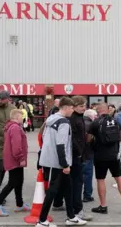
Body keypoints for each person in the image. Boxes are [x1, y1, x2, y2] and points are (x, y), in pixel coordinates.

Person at [36, 97, 86, 227]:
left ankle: (71, 217)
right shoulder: (63, 122)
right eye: (71, 108)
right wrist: (65, 164)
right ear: (66, 107)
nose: (72, 110)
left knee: (67, 187)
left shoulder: (51, 119)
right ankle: (42, 220)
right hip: (56, 162)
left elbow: (44, 137)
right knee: (52, 190)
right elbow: (61, 144)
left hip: (51, 159)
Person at [52, 96, 93, 221]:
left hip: (74, 155)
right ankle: (77, 210)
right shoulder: (72, 119)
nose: (84, 108)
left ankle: (58, 203)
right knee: (76, 183)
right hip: (74, 156)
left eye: (84, 106)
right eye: (81, 106)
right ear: (73, 107)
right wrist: (79, 152)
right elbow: (71, 139)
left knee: (66, 182)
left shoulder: (78, 117)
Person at [88, 103, 121, 215]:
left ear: (98, 110)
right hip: (114, 155)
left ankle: (103, 206)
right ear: (108, 110)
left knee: (101, 179)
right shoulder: (116, 121)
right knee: (119, 178)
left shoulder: (95, 123)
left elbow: (88, 139)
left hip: (100, 156)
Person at [0, 109, 30, 216]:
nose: (23, 118)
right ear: (17, 117)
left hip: (14, 159)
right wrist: (21, 158)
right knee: (12, 182)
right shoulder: (15, 128)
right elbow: (16, 147)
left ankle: (19, 204)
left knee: (19, 181)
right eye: (21, 116)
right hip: (15, 160)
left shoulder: (13, 127)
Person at [82, 109, 97, 203]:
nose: (96, 117)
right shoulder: (92, 125)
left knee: (77, 175)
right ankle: (87, 195)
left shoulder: (77, 122)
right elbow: (92, 141)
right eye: (95, 116)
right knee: (88, 175)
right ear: (91, 116)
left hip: (78, 154)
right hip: (88, 153)